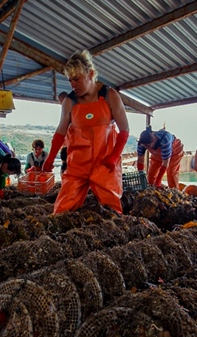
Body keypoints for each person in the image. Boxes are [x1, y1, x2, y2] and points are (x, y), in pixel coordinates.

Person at [42, 50, 130, 214]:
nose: (72, 85)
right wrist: (50, 158)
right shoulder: (69, 102)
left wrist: (113, 156)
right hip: (78, 164)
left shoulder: (110, 95)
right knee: (62, 209)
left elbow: (124, 130)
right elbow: (60, 132)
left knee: (112, 211)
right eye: (70, 80)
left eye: (76, 79)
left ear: (90, 74)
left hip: (105, 163)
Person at [57, 91, 70, 175]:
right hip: (65, 146)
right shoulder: (65, 112)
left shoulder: (73, 109)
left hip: (73, 146)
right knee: (64, 166)